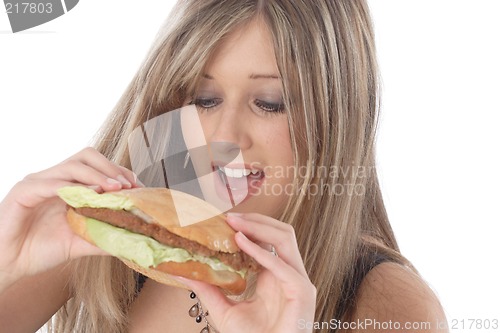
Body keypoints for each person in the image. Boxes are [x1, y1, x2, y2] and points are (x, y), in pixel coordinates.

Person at [0, 0, 448, 332]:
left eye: (270, 104)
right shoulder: (122, 232)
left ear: (338, 119)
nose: (224, 136)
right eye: (205, 99)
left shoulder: (387, 302)